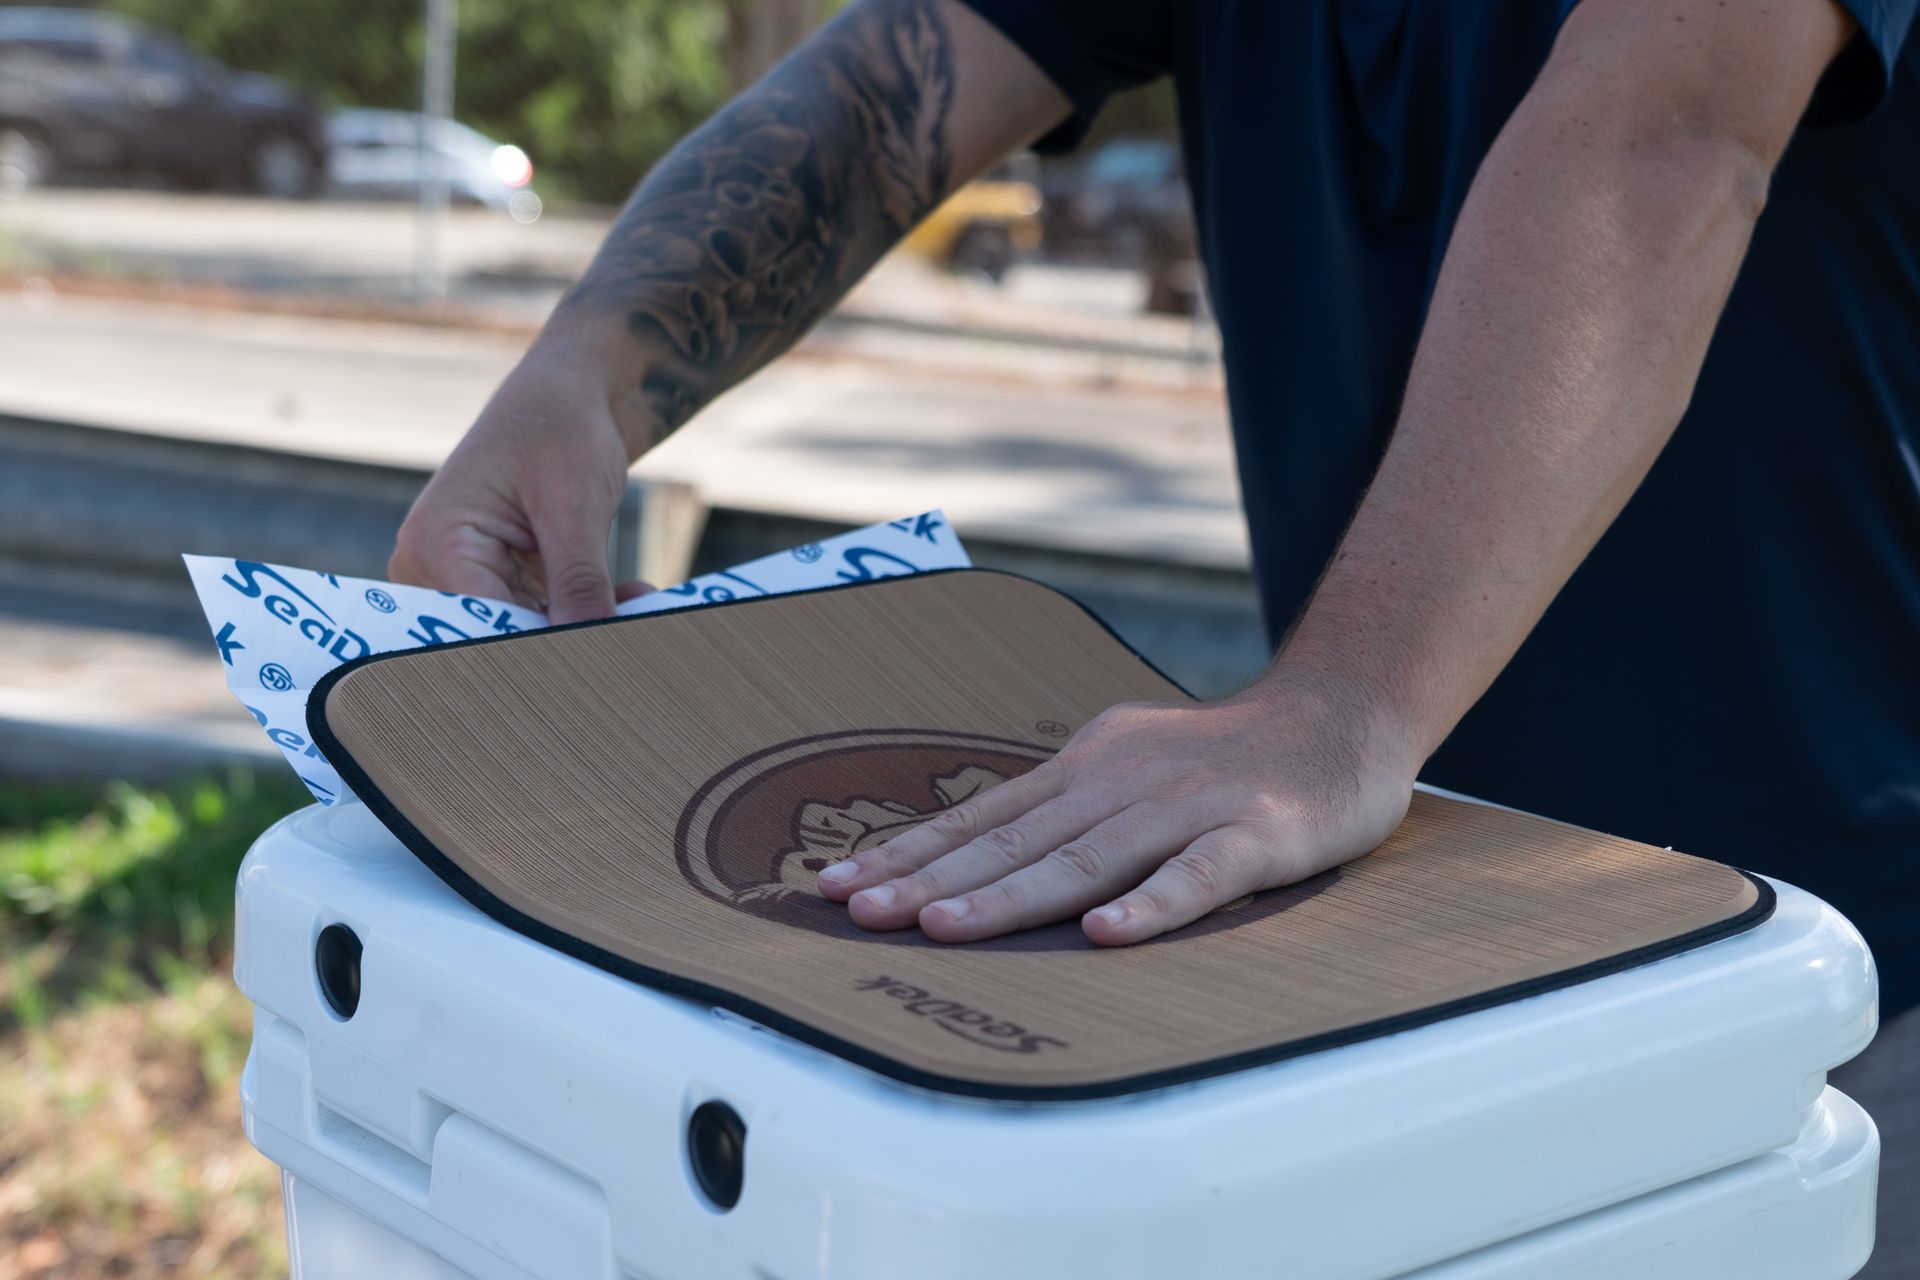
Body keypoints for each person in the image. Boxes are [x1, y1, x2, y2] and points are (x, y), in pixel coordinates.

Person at [390, 0, 1916, 1268]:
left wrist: (1336, 712)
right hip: (1417, 975)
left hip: (1840, 989)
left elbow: (1667, 135)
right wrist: (588, 377)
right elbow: (895, 85)